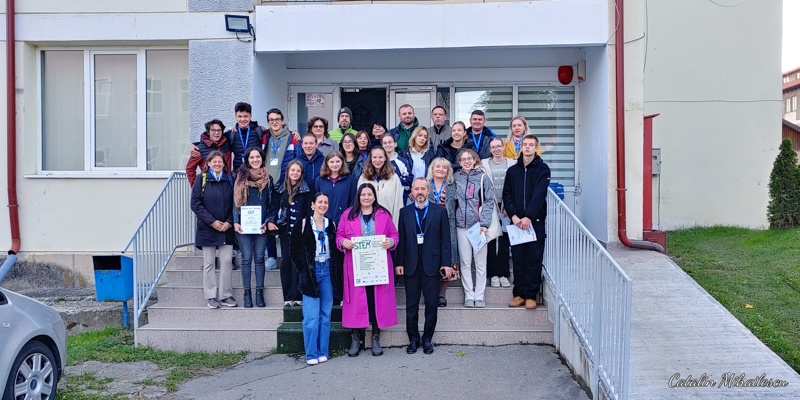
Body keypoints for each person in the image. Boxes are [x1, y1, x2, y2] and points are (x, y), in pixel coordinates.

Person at [336, 183, 399, 357]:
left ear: (374, 196)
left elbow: (394, 235)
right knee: (357, 301)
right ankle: (356, 337)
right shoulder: (348, 215)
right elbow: (339, 235)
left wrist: (391, 242)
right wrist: (343, 242)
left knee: (375, 300)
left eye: (369, 194)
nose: (366, 197)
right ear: (358, 196)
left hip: (378, 266)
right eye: (363, 194)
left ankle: (376, 337)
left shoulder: (383, 214)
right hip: (356, 266)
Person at [395, 178, 452, 355]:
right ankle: (413, 339)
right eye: (416, 189)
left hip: (432, 265)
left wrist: (446, 264)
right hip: (411, 265)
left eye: (423, 189)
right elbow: (402, 239)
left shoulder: (439, 211)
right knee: (411, 305)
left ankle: (427, 339)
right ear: (412, 192)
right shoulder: (404, 212)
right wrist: (399, 263)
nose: (419, 192)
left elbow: (446, 240)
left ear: (428, 191)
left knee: (431, 305)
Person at [290, 192, 343, 365]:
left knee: (325, 316)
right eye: (320, 202)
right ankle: (311, 353)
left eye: (326, 202)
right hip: (311, 273)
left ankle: (323, 351)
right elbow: (294, 251)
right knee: (311, 317)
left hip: (327, 271)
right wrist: (304, 271)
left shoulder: (331, 224)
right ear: (313, 204)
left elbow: (336, 252)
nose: (323, 205)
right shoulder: (303, 224)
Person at [503, 135, 550, 310]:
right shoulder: (512, 171)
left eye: (531, 145)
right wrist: (514, 216)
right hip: (516, 223)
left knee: (533, 259)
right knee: (518, 259)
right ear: (521, 147)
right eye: (525, 144)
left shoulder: (543, 169)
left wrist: (529, 216)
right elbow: (507, 194)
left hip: (534, 222)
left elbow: (539, 194)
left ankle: (531, 295)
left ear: (536, 148)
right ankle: (519, 295)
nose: (528, 147)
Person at [191, 151, 237, 309]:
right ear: (208, 163)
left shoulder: (230, 179)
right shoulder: (201, 179)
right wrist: (212, 222)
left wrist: (229, 222)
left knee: (227, 261)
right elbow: (195, 204)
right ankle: (211, 296)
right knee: (209, 263)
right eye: (214, 161)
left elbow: (236, 203)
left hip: (226, 228)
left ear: (224, 164)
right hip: (207, 228)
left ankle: (226, 295)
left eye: (220, 161)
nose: (217, 164)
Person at [453, 148, 496, 308]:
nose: (467, 161)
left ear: (474, 160)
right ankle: (469, 295)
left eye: (469, 158)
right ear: (459, 162)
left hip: (478, 226)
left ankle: (480, 296)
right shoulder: (456, 177)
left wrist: (484, 223)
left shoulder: (483, 177)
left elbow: (489, 201)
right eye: (463, 159)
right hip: (461, 226)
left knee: (480, 263)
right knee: (465, 262)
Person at [232, 146, 273, 308]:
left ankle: (259, 292)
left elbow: (271, 203)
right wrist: (235, 221)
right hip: (243, 226)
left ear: (262, 159)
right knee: (246, 258)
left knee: (260, 258)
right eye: (252, 157)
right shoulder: (240, 178)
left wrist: (268, 221)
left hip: (261, 226)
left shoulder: (268, 179)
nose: (255, 160)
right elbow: (233, 202)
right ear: (247, 160)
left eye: (258, 157)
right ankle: (247, 293)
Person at [267, 160, 311, 306]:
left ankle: (297, 296)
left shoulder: (306, 190)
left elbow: (308, 212)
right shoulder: (280, 190)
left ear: (301, 173)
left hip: (301, 235)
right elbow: (273, 207)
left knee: (298, 265)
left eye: (298, 171)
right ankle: (287, 297)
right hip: (285, 234)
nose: (295, 173)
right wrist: (270, 221)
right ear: (287, 172)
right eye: (293, 170)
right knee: (286, 264)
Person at [264, 108, 296, 271]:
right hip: (267, 186)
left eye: (277, 119)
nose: (275, 122)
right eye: (271, 120)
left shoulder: (292, 137)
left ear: (283, 121)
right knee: (268, 220)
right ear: (268, 122)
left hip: (285, 186)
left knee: (286, 221)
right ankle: (271, 256)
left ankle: (286, 256)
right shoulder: (264, 137)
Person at [426, 157, 460, 307]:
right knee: (430, 257)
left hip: (449, 225)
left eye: (444, 167)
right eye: (437, 166)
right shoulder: (425, 185)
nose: (440, 169)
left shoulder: (453, 186)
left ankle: (441, 295)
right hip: (429, 225)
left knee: (448, 257)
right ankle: (430, 293)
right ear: (432, 169)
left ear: (448, 171)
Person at [482, 137, 515, 289]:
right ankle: (493, 274)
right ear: (490, 149)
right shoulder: (484, 164)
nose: (496, 149)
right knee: (490, 239)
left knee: (504, 241)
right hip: (490, 205)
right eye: (493, 147)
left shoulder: (512, 163)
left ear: (503, 147)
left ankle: (504, 274)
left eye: (498, 146)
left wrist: (510, 206)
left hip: (507, 206)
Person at [357, 147, 404, 227]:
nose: (377, 160)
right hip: (368, 224)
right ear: (370, 159)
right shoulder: (363, 178)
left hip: (388, 223)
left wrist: (395, 227)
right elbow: (359, 202)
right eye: (374, 157)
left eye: (380, 157)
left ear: (385, 158)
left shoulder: (394, 178)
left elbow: (398, 204)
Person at [186, 119, 232, 187]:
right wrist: (196, 186)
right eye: (213, 130)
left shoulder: (227, 145)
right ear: (208, 132)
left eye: (219, 130)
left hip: (226, 184)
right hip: (209, 186)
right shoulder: (199, 149)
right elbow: (190, 168)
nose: (216, 133)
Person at [315, 152, 357, 226]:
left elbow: (353, 201)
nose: (335, 164)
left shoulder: (350, 180)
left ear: (342, 162)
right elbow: (316, 201)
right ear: (327, 163)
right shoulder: (320, 180)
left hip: (344, 221)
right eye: (331, 162)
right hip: (324, 221)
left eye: (337, 161)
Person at [380, 135, 413, 203]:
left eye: (390, 142)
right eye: (385, 143)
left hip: (399, 200)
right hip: (382, 201)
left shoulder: (403, 162)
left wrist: (394, 179)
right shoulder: (378, 162)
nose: (387, 145)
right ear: (382, 146)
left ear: (395, 144)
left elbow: (409, 182)